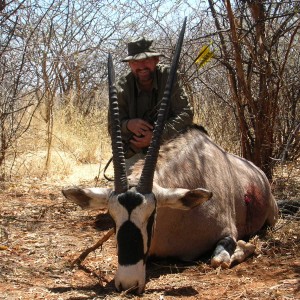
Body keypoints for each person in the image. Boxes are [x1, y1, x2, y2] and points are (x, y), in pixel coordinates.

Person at [109, 37, 194, 172]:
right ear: (129, 64)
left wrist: (156, 136)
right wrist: (128, 125)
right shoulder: (120, 87)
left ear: (156, 60)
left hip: (169, 148)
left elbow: (186, 114)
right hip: (134, 153)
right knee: (130, 190)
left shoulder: (169, 77)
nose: (142, 66)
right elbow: (112, 126)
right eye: (136, 62)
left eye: (146, 60)